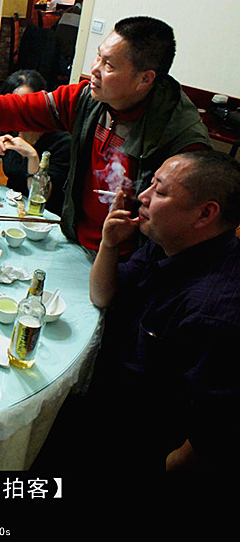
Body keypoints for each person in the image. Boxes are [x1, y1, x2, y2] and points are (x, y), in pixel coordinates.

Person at [0, 16, 211, 253]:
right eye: (98, 56)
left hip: (129, 257)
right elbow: (17, 108)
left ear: (145, 79)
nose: (95, 69)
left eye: (109, 65)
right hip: (76, 237)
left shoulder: (180, 139)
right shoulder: (88, 98)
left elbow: (187, 228)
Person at [86, 150, 240, 471]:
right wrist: (109, 244)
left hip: (141, 442)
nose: (143, 196)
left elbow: (212, 433)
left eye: (160, 191)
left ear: (204, 214)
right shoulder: (170, 242)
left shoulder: (213, 312)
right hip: (107, 400)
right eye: (151, 184)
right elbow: (103, 296)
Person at [0, 70, 70, 214]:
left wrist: (32, 156)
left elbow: (41, 196)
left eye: (25, 104)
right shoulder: (7, 128)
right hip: (12, 206)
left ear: (41, 103)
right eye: (12, 105)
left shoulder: (61, 141)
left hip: (44, 214)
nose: (18, 112)